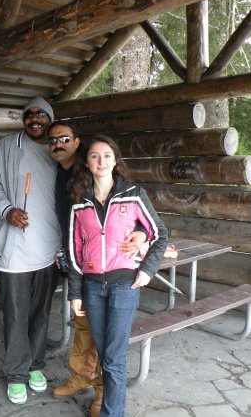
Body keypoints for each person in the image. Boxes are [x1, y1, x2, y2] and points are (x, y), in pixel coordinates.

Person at [49, 122, 146, 417]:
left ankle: (104, 396)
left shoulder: (123, 187)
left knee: (109, 348)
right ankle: (81, 378)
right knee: (84, 329)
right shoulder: (62, 177)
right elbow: (72, 231)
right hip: (83, 265)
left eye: (64, 138)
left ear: (77, 143)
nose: (58, 144)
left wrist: (142, 235)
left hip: (116, 273)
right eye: (53, 140)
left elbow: (139, 220)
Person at [68, 134, 168, 417]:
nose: (101, 161)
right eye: (94, 156)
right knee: (104, 353)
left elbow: (160, 233)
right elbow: (74, 251)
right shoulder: (79, 202)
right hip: (92, 287)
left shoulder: (133, 194)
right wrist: (75, 292)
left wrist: (147, 270)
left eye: (107, 156)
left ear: (115, 160)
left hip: (124, 285)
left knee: (113, 357)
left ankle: (112, 413)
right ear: (86, 163)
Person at [0, 96, 62, 405]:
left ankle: (35, 365)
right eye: (29, 114)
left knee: (40, 313)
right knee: (16, 315)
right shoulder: (6, 147)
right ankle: (16, 374)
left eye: (41, 114)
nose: (34, 118)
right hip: (14, 250)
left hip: (49, 248)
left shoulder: (59, 151)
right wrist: (7, 211)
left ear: (50, 118)